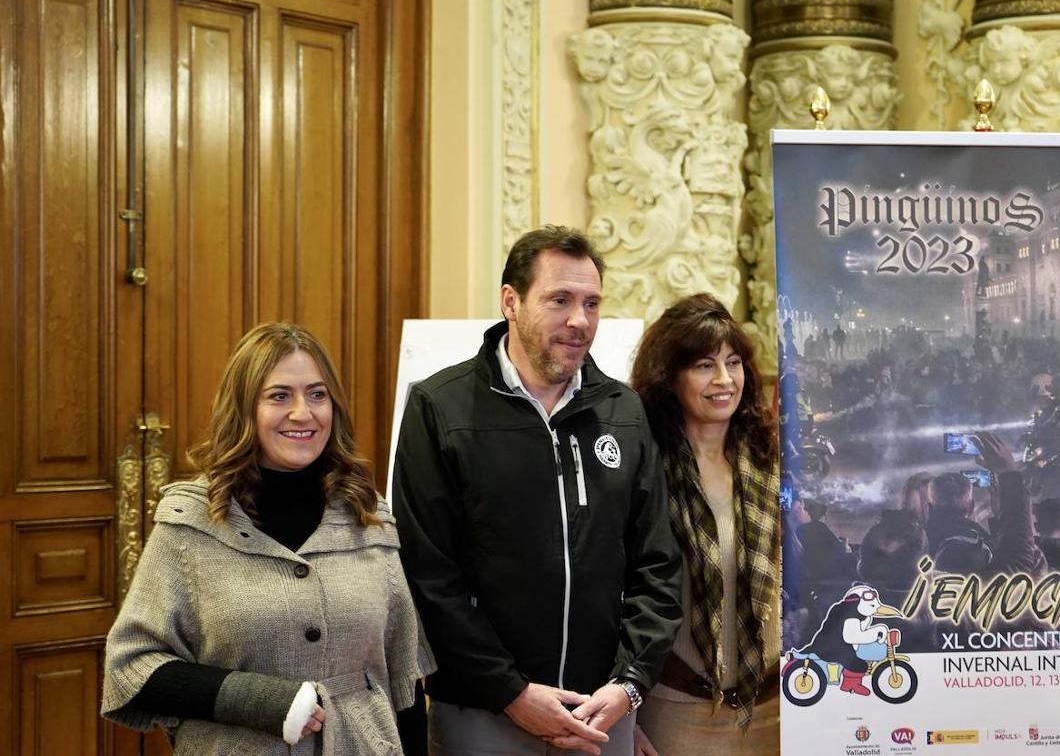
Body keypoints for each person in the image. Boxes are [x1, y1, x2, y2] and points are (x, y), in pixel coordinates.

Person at [392, 225, 681, 756]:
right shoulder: (441, 408)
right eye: (559, 300)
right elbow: (428, 577)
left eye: (591, 304)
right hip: (483, 715)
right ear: (511, 301)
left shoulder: (623, 411)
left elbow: (657, 564)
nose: (580, 321)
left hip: (602, 712)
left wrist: (630, 682)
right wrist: (511, 693)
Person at [102, 323, 435, 754]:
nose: (302, 412)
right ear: (244, 409)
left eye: (317, 395)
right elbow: (132, 667)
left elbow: (403, 681)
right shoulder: (191, 524)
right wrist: (262, 700)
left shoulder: (368, 517)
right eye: (279, 396)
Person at [629, 293, 781, 754]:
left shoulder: (774, 463)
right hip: (676, 710)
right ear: (669, 377)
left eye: (733, 363)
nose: (724, 380)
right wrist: (625, 720)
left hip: (777, 710)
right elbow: (612, 599)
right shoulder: (643, 469)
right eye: (703, 365)